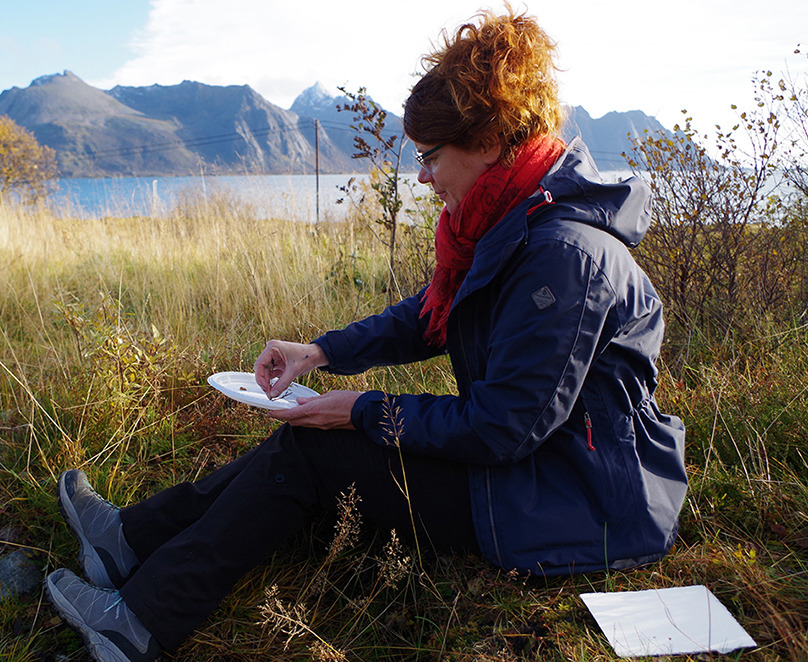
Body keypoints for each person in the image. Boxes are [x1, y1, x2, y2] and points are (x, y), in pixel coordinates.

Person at [44, 6, 688, 661]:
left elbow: (503, 427)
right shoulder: (512, 225)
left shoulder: (564, 256)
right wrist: (323, 352)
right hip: (537, 472)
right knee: (307, 434)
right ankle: (127, 541)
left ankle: (137, 624)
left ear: (490, 143)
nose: (423, 176)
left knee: (316, 450)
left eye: (433, 156)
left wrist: (361, 411)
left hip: (578, 501)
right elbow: (429, 318)